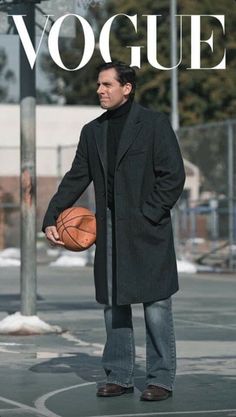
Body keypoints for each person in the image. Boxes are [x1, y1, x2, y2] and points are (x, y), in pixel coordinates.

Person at [42, 61, 185, 401]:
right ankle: (119, 376)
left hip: (148, 230)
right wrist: (52, 215)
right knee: (114, 304)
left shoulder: (154, 124)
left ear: (127, 88)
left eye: (107, 84)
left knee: (156, 306)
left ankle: (160, 379)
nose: (100, 90)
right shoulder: (93, 131)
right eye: (99, 85)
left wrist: (148, 213)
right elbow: (77, 177)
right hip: (108, 232)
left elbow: (172, 176)